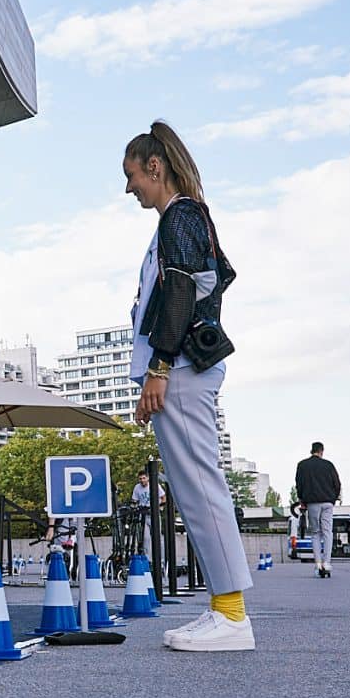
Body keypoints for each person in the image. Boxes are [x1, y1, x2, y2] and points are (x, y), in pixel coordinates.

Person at [123, 121, 251, 651]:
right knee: (193, 488)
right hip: (179, 367)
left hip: (180, 369)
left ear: (155, 167)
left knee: (199, 486)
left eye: (132, 175)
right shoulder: (181, 219)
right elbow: (209, 281)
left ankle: (233, 615)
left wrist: (159, 368)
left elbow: (180, 293)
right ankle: (222, 606)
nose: (129, 187)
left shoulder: (181, 216)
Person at [293, 441, 342, 580]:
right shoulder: (328, 465)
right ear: (322, 451)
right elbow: (337, 484)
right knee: (327, 532)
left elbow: (299, 484)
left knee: (315, 533)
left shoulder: (302, 465)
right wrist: (333, 498)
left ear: (312, 450)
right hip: (327, 502)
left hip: (312, 503)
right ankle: (327, 563)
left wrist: (302, 500)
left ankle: (318, 565)